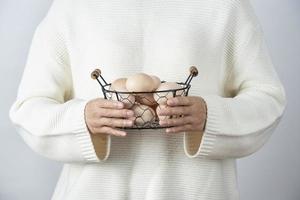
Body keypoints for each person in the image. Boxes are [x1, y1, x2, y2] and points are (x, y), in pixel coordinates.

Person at [9, 0, 287, 199]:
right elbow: (28, 108)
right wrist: (82, 119)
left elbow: (268, 100)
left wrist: (210, 115)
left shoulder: (227, 6)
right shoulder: (70, 8)